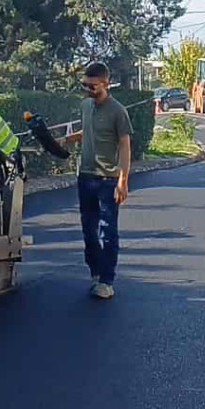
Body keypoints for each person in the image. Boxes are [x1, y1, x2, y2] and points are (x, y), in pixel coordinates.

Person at [64, 61, 131, 300]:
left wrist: (122, 180)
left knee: (107, 231)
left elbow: (124, 146)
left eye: (92, 86)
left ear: (106, 83)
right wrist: (69, 139)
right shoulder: (85, 106)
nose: (88, 90)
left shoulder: (117, 111)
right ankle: (95, 272)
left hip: (108, 180)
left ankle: (107, 280)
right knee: (88, 230)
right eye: (84, 85)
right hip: (86, 177)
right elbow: (89, 130)